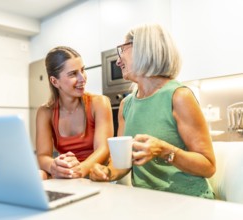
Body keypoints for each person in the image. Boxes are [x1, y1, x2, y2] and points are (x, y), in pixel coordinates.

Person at [89, 23, 216, 199]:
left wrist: (164, 150)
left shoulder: (179, 96)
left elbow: (208, 166)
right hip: (145, 201)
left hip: (188, 201)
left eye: (122, 50)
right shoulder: (126, 105)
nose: (118, 61)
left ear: (144, 49)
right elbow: (122, 163)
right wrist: (106, 172)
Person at [36, 46, 113, 179]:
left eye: (83, 70)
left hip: (96, 175)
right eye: (73, 74)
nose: (82, 78)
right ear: (55, 81)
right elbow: (43, 156)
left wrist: (78, 170)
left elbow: (103, 150)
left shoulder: (99, 103)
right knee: (39, 175)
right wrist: (53, 166)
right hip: (69, 175)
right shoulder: (45, 112)